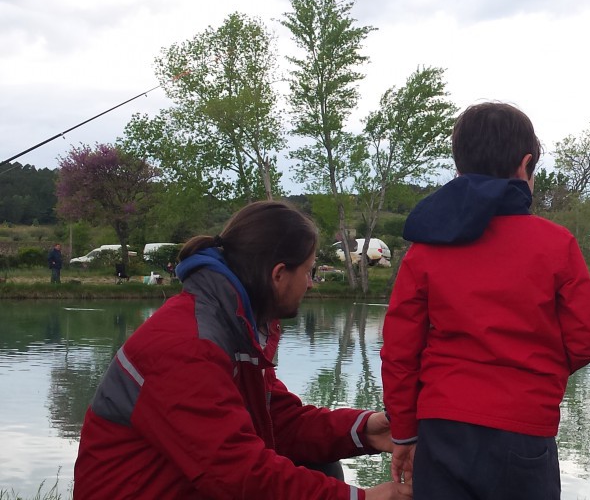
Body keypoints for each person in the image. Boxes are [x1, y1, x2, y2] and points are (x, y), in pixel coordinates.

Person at [74, 201, 411, 500]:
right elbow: (235, 474)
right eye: (307, 271)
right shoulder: (187, 345)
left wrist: (368, 429)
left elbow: (278, 422)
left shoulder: (235, 327)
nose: (310, 283)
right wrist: (364, 497)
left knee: (318, 462)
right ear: (279, 274)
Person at [380, 102, 590, 500]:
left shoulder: (426, 249)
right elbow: (587, 338)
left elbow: (399, 352)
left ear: (458, 169)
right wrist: (536, 371)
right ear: (524, 166)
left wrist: (403, 433)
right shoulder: (557, 245)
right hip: (524, 434)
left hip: (441, 430)